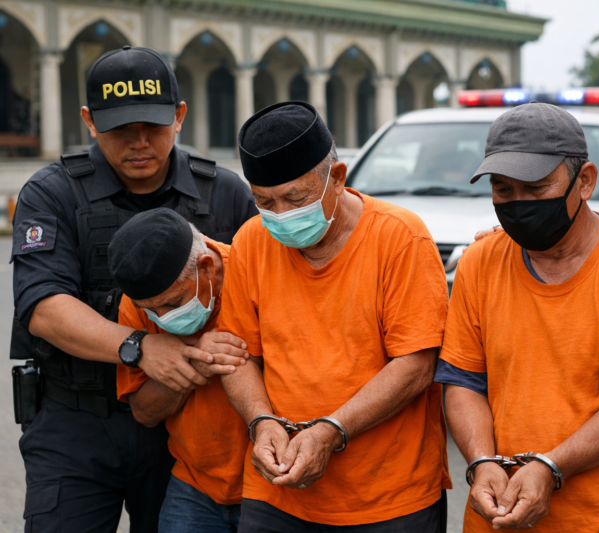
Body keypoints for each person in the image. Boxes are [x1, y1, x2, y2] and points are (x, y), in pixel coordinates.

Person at [11, 46, 256, 532]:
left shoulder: (224, 194)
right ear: (89, 121)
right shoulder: (52, 192)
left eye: (154, 126)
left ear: (180, 116)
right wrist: (140, 347)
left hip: (185, 430)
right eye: (121, 129)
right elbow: (43, 306)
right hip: (76, 423)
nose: (139, 142)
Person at [439, 102, 599, 531]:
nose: (519, 204)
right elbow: (463, 381)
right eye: (503, 190)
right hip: (503, 511)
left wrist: (551, 467)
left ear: (585, 181)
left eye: (536, 189)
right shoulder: (479, 262)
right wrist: (482, 461)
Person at [218, 101, 452, 532]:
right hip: (277, 494)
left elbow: (417, 365)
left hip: (387, 498)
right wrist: (260, 420)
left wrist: (330, 431)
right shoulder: (252, 240)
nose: (282, 215)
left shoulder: (399, 237)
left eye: (296, 198)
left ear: (337, 179)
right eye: (266, 201)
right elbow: (237, 355)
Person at [109, 208, 248, 532]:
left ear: (206, 267)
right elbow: (144, 412)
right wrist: (190, 366)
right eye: (151, 311)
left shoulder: (252, 271)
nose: (162, 318)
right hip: (194, 485)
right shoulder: (136, 303)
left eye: (172, 304)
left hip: (271, 485)